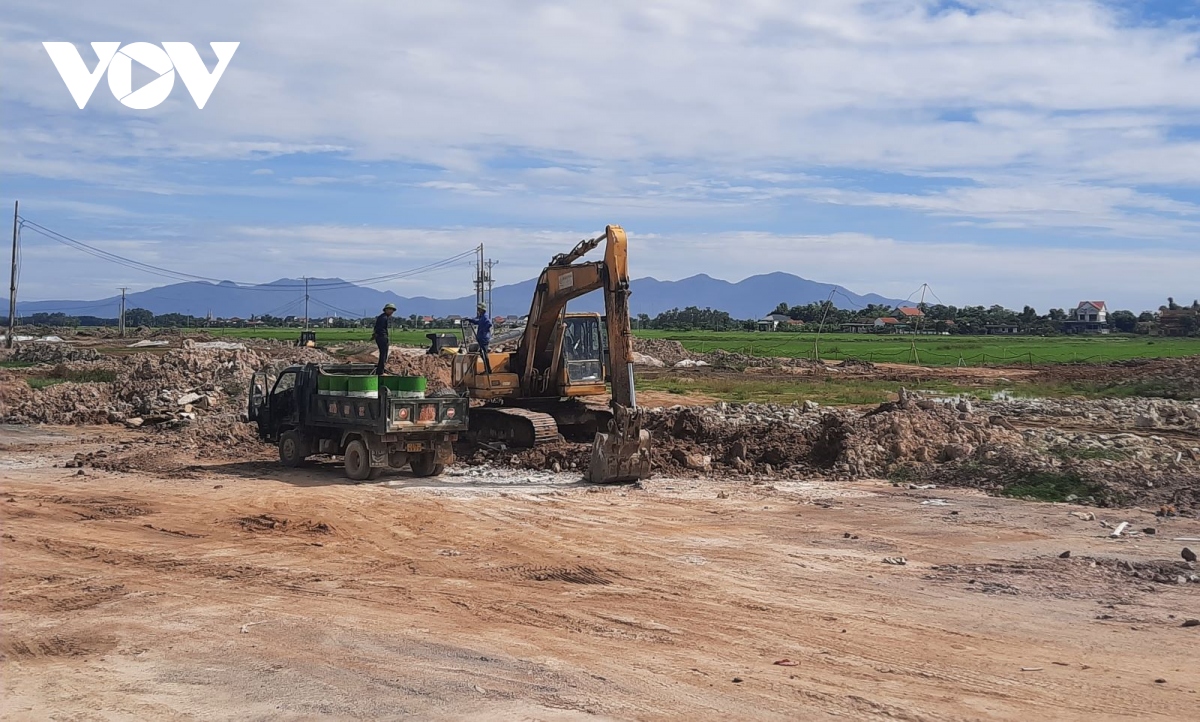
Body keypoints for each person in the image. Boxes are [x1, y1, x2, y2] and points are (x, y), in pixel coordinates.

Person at [464, 303, 493, 374]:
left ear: (482, 309)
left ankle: (488, 370)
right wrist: (470, 320)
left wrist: (484, 331)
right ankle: (487, 369)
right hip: (482, 338)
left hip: (484, 338)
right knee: (482, 353)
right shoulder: (482, 317)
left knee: (484, 354)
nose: (478, 310)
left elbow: (489, 324)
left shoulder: (485, 317)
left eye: (479, 309)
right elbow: (478, 321)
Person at [371, 303, 396, 375]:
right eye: (390, 310)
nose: (392, 312)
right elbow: (380, 329)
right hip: (382, 337)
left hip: (380, 337)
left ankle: (381, 368)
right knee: (383, 354)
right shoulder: (383, 318)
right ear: (386, 310)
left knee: (383, 353)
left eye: (393, 310)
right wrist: (384, 337)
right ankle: (380, 370)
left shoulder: (383, 317)